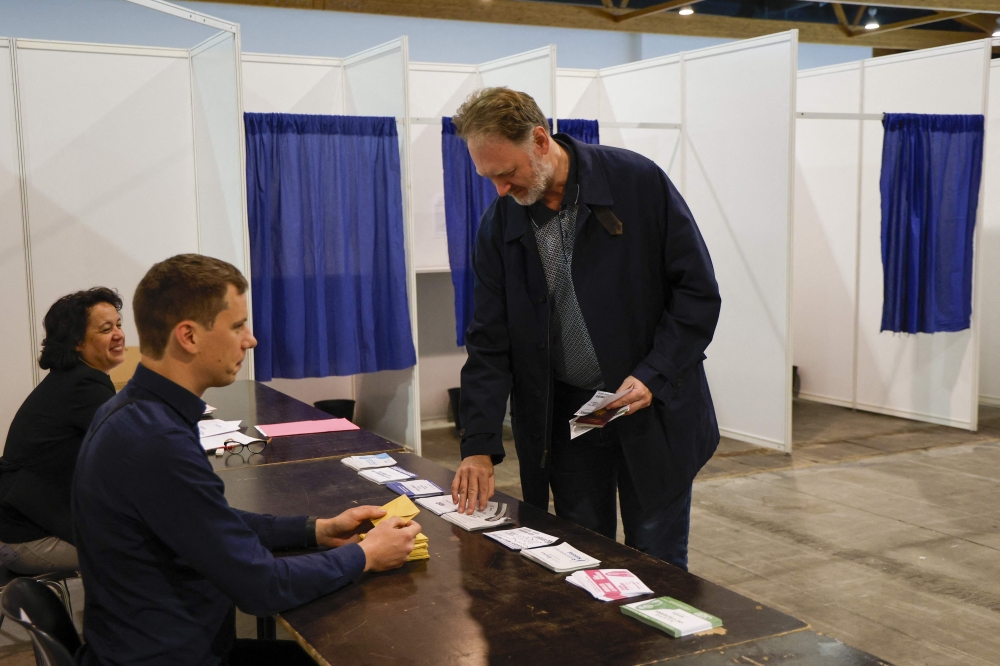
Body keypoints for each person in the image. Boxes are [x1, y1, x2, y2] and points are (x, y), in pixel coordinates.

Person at [73, 254, 420, 666]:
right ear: (188, 336)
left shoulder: (135, 410)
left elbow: (210, 519)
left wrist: (315, 530)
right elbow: (261, 587)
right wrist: (365, 555)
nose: (250, 339)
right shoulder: (155, 440)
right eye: (237, 326)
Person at [448, 88, 721, 570]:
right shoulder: (499, 226)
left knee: (655, 559)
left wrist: (655, 373)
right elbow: (490, 342)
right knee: (584, 559)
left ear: (539, 139)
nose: (500, 190)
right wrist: (478, 445)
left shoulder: (636, 182)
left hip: (648, 406)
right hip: (569, 421)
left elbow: (697, 293)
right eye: (488, 178)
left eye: (507, 173)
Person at [0, 287, 125, 574]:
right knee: (146, 551)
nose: (118, 334)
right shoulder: (83, 386)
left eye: (118, 324)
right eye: (106, 329)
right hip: (26, 538)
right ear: (77, 342)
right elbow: (133, 446)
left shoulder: (77, 379)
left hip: (24, 521)